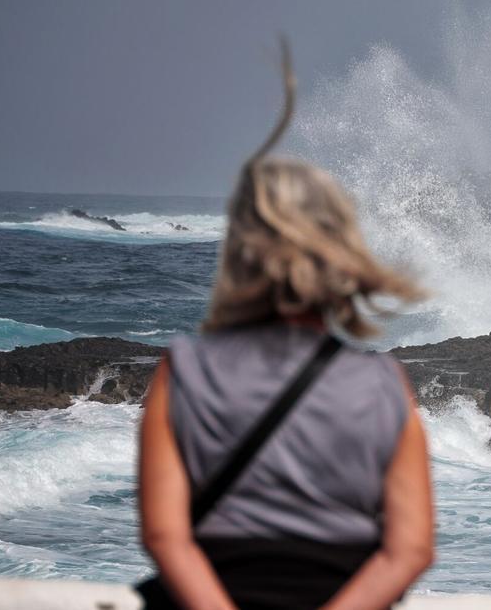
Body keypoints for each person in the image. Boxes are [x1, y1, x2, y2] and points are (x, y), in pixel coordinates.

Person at [137, 43, 434, 610]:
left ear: (242, 255)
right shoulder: (384, 385)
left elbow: (165, 537)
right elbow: (410, 551)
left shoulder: (184, 372)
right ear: (341, 258)